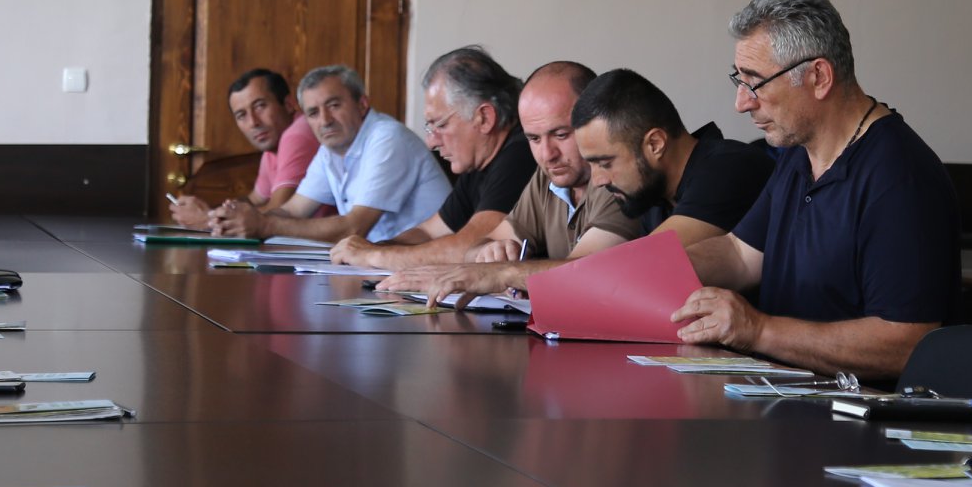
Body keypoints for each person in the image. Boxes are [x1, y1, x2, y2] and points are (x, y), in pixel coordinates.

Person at [671, 0, 961, 380]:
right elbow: (739, 255)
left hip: (861, 411)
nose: (741, 103)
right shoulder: (798, 153)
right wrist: (650, 269)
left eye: (755, 83)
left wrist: (758, 330)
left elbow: (907, 343)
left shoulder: (901, 177)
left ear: (819, 77)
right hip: (781, 395)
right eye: (739, 80)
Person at [378, 62, 638, 302]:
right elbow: (478, 247)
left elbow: (585, 273)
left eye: (561, 134)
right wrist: (490, 253)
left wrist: (504, 273)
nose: (547, 154)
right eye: (534, 139)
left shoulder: (614, 177)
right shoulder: (547, 176)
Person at [330, 46, 533, 268]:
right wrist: (374, 248)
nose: (431, 142)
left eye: (441, 125)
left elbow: (469, 246)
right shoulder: (479, 160)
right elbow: (428, 232)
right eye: (430, 127)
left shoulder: (521, 155)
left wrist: (375, 257)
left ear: (484, 118)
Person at [209, 66, 448, 242]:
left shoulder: (387, 138)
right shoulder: (329, 150)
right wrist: (237, 220)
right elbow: (293, 210)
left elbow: (354, 228)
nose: (325, 121)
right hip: (382, 266)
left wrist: (264, 225)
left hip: (429, 268)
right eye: (313, 113)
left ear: (362, 104)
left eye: (334, 105)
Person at [570, 68, 774, 245]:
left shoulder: (730, 168)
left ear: (655, 144)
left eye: (605, 163)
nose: (597, 181)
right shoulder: (655, 199)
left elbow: (643, 263)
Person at [170, 68, 321, 228]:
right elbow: (254, 200)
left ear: (289, 104)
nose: (253, 122)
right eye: (242, 115)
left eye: (260, 106)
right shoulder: (274, 145)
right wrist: (211, 211)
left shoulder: (297, 134)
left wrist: (208, 219)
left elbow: (279, 210)